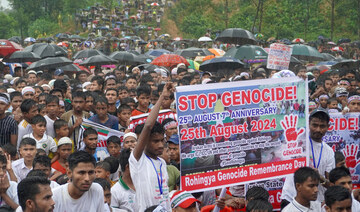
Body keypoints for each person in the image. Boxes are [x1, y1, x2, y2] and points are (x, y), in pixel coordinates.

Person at [129, 83, 174, 211]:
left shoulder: (162, 163)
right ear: (144, 142)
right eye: (155, 141)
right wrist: (162, 97)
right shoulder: (137, 160)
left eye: (162, 140)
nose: (160, 145)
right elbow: (148, 125)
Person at [281, 108, 335, 206]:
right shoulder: (297, 141)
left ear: (328, 127)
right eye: (314, 125)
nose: (318, 129)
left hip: (314, 204)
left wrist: (320, 178)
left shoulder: (329, 152)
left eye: (322, 126)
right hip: (290, 198)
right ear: (308, 123)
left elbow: (331, 185)